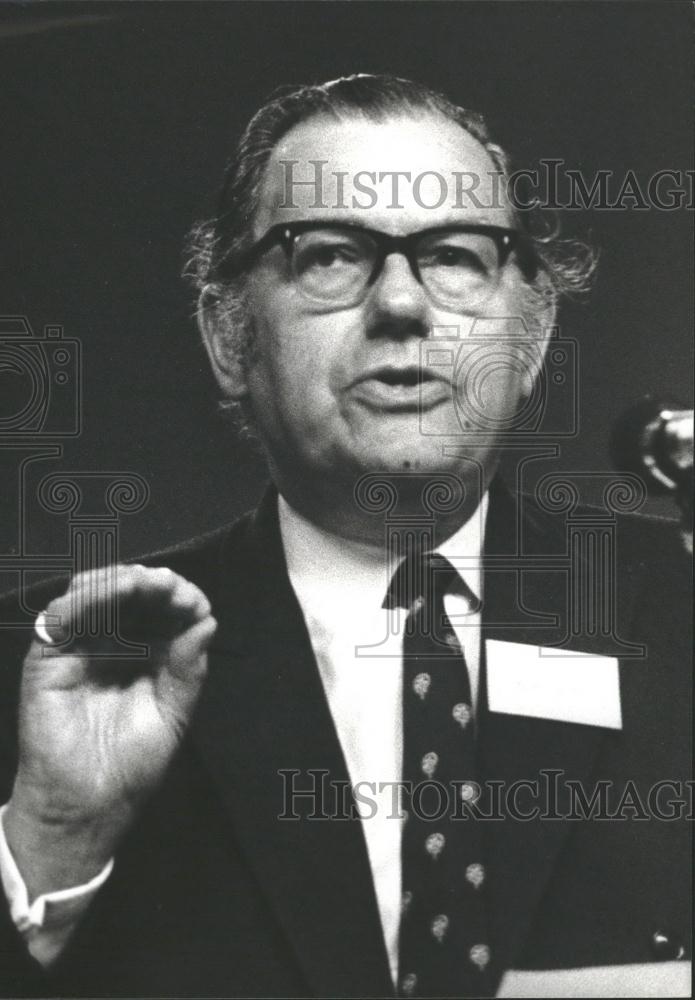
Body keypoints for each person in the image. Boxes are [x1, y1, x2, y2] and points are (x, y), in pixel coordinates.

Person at [0, 75, 690, 999]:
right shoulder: (52, 661)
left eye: (453, 255)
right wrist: (54, 835)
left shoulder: (679, 601)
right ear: (228, 336)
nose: (400, 304)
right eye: (329, 254)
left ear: (530, 337)